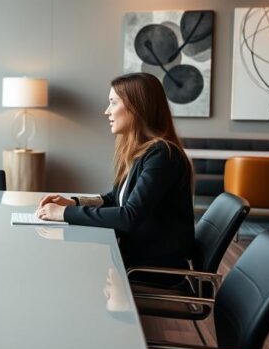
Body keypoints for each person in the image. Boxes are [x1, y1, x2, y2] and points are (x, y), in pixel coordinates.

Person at [35, 72, 194, 271]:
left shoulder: (162, 155)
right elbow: (115, 199)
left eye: (113, 102)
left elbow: (129, 216)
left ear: (137, 107)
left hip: (150, 269)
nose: (106, 111)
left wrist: (64, 213)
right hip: (131, 257)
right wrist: (74, 202)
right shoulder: (142, 151)